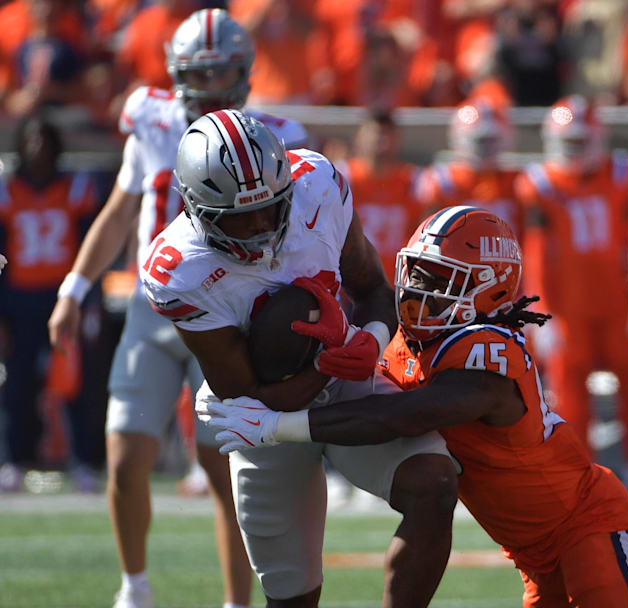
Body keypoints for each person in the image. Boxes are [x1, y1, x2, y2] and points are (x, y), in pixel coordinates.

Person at [199, 205, 628, 608]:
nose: (417, 290)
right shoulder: (408, 342)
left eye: (439, 279)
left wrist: (278, 426)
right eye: (415, 272)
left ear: (491, 289)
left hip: (586, 526)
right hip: (532, 555)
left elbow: (401, 416)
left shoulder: (490, 353)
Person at [142, 109, 458, 607]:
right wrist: (328, 360)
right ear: (196, 208)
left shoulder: (317, 184)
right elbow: (246, 397)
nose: (262, 224)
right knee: (292, 597)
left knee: (434, 484)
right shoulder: (179, 270)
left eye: (270, 205)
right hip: (261, 414)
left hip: (343, 379)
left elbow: (374, 288)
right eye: (241, 216)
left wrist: (370, 342)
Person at [45, 10, 306, 608]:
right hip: (152, 307)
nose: (211, 86)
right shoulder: (154, 122)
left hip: (224, 312)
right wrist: (73, 290)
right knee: (123, 456)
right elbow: (119, 211)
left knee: (225, 472)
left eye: (222, 74)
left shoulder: (271, 135)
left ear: (243, 73)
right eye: (199, 73)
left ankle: (237, 601)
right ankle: (134, 590)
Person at [516, 95, 628, 498]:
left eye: (581, 141)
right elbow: (536, 252)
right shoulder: (538, 184)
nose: (573, 150)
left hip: (616, 300)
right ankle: (581, 471)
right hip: (569, 306)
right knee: (571, 393)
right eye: (568, 141)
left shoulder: (623, 176)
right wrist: (541, 310)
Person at [0, 115, 97, 490]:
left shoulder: (76, 188)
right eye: (31, 139)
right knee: (17, 383)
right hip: (19, 300)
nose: (37, 147)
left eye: (44, 138)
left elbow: (91, 249)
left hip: (62, 300)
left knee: (71, 384)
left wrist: (87, 301)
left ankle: (82, 460)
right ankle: (14, 460)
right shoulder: (7, 192)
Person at [415, 97, 522, 237]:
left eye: (491, 141)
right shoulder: (442, 181)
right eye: (480, 141)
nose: (486, 148)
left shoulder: (518, 182)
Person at [344, 110, 423, 280]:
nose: (381, 142)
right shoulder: (344, 177)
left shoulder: (413, 181)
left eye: (387, 135)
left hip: (400, 283)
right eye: (375, 134)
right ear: (359, 137)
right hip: (352, 287)